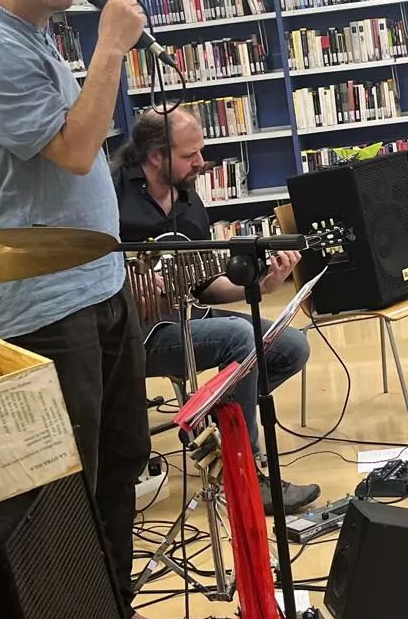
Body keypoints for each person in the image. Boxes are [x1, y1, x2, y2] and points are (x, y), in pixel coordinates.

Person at [0, 0, 181, 619]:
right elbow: (77, 152)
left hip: (98, 286)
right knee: (68, 487)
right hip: (46, 307)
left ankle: (113, 614)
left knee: (120, 461)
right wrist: (110, 45)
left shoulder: (36, 35)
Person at [114, 107, 320, 515]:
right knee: (242, 339)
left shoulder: (189, 201)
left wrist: (261, 285)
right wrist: (129, 287)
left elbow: (206, 285)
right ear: (155, 156)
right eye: (190, 155)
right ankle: (244, 473)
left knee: (289, 345)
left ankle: (214, 426)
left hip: (187, 318)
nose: (201, 163)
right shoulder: (109, 195)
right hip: (132, 333)